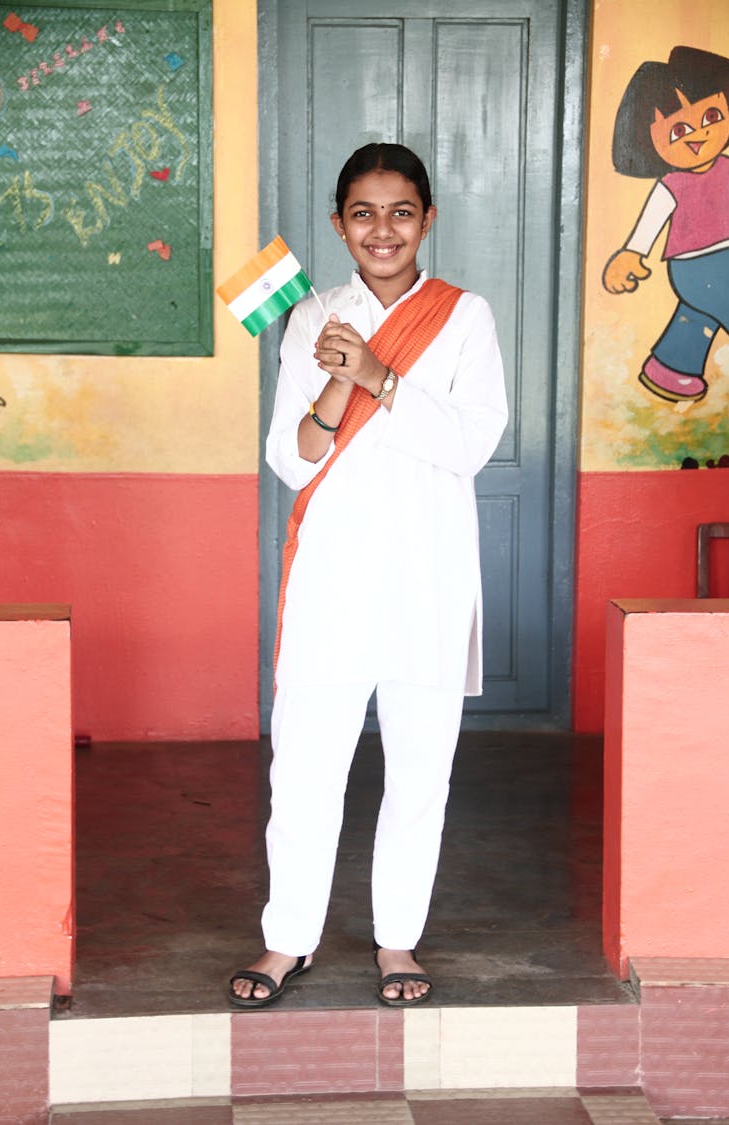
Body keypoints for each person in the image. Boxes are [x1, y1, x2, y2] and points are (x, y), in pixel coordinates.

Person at [229, 142, 508, 1009]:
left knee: (421, 770)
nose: (381, 230)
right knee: (306, 768)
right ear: (337, 224)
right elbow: (292, 459)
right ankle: (288, 940)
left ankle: (397, 941)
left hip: (427, 578)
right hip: (332, 578)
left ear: (427, 219)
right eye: (362, 212)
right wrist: (337, 384)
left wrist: (383, 375)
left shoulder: (466, 318)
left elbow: (470, 444)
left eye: (399, 212)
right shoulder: (311, 317)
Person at [602, 46, 729, 402]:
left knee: (695, 316)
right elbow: (650, 223)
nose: (698, 135)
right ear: (648, 140)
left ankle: (671, 370)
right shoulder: (672, 185)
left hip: (708, 268)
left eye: (710, 116)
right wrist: (631, 254)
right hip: (701, 265)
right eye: (678, 130)